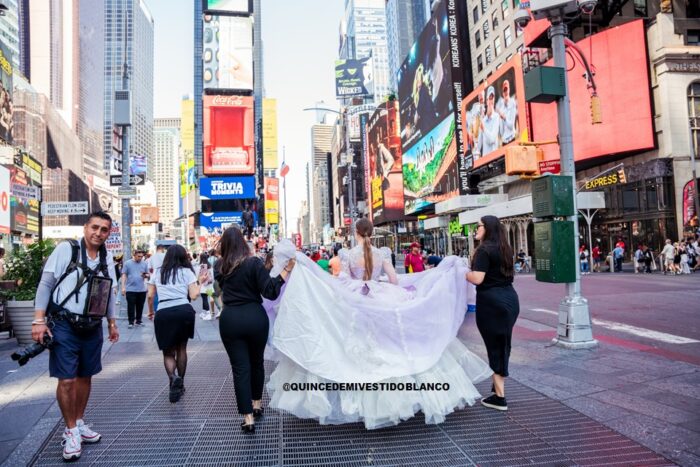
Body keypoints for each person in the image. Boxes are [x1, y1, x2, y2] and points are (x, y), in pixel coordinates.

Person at [264, 220, 492, 429]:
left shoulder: (348, 255)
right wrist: (382, 283)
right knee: (390, 343)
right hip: (381, 297)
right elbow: (394, 280)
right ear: (371, 233)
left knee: (358, 343)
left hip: (358, 301)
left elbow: (343, 281)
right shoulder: (381, 254)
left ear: (356, 234)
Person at [32, 212, 119, 462]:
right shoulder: (66, 249)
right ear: (85, 227)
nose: (98, 233)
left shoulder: (106, 256)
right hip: (64, 325)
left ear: (108, 233)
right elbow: (45, 285)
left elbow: (108, 292)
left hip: (92, 327)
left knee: (84, 376)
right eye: (95, 227)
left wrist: (112, 323)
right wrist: (39, 321)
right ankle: (70, 430)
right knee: (67, 380)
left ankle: (79, 422)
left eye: (104, 230)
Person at [215, 226, 295, 433]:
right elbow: (270, 291)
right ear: (243, 243)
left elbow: (219, 291)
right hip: (255, 318)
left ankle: (248, 418)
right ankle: (257, 404)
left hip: (230, 319)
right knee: (256, 363)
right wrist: (286, 270)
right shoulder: (253, 263)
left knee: (240, 369)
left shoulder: (220, 266)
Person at [466, 215, 520, 412]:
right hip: (510, 300)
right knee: (502, 343)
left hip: (492, 303)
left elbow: (478, 279)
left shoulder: (484, 250)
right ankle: (497, 385)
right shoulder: (505, 248)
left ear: (488, 228)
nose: (476, 230)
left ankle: (499, 398)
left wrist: (463, 272)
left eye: (478, 226)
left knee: (496, 347)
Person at [146, 245, 199, 403]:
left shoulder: (158, 272)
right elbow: (194, 295)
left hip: (164, 312)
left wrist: (150, 311)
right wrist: (200, 283)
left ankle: (173, 378)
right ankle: (180, 383)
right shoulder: (187, 272)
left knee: (168, 352)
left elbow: (150, 295)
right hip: (184, 310)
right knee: (181, 348)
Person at [121, 249, 149, 328]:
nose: (140, 258)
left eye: (141, 256)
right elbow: (124, 275)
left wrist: (146, 276)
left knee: (140, 306)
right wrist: (123, 287)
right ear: (134, 255)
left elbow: (147, 274)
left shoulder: (144, 263)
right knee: (131, 306)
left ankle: (139, 321)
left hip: (141, 289)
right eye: (138, 256)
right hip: (130, 289)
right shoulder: (127, 263)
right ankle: (131, 322)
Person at [479, 86, 501, 156]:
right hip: (484, 161)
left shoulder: (496, 117)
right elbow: (479, 144)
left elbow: (492, 139)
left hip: (495, 159)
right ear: (487, 100)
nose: (491, 101)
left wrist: (484, 129)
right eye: (490, 98)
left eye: (493, 98)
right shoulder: (483, 120)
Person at [496, 79, 518, 145]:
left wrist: (504, 117)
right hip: (504, 142)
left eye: (506, 90)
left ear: (509, 90)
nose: (505, 92)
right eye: (504, 90)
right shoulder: (501, 108)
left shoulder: (512, 103)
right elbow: (501, 130)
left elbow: (511, 125)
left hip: (512, 139)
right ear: (503, 93)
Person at [195, 253, 215, 320]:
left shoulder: (200, 266)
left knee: (204, 299)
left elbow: (197, 276)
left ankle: (208, 313)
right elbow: (212, 275)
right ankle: (205, 312)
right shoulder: (210, 266)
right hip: (209, 284)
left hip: (203, 285)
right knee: (209, 297)